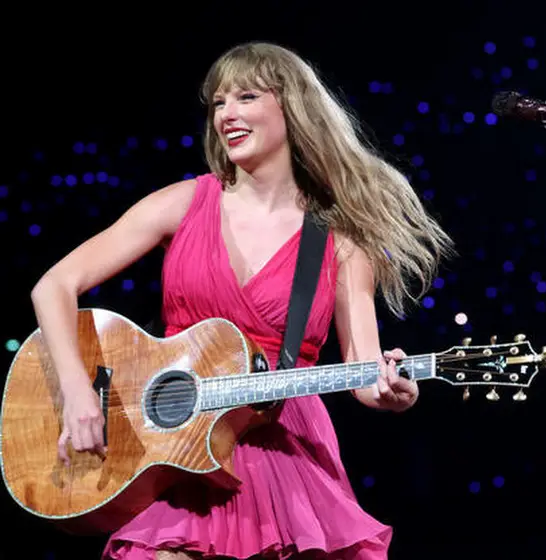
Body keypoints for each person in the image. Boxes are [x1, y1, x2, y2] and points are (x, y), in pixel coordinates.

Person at [30, 42, 453, 560]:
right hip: (179, 444)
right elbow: (54, 284)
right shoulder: (182, 203)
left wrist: (391, 390)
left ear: (291, 107)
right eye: (218, 103)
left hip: (281, 448)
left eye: (246, 97)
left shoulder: (339, 241)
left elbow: (363, 369)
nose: (226, 114)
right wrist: (76, 391)